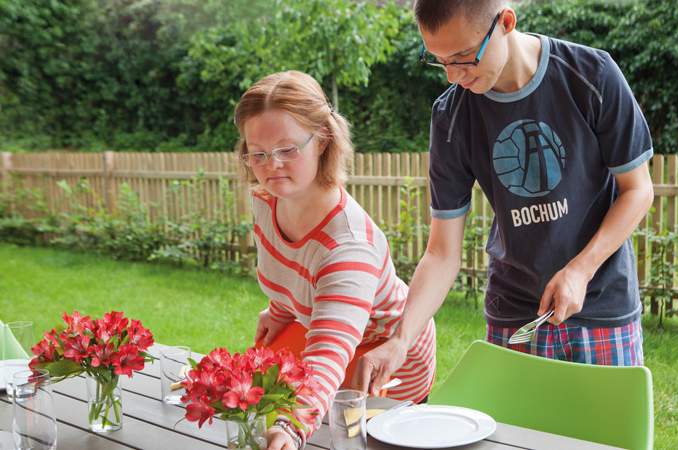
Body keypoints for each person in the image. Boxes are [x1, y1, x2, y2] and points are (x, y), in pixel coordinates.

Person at [352, 0, 655, 396]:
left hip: (602, 305)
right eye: (440, 61)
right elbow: (442, 252)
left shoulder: (591, 75)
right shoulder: (452, 117)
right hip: (514, 311)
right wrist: (401, 339)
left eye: (464, 58)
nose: (453, 76)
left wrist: (581, 270)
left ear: (506, 22)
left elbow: (638, 191)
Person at [235, 70, 436, 450]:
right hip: (325, 335)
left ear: (322, 140)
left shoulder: (348, 246)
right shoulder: (266, 199)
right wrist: (279, 310)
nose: (271, 164)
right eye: (257, 153)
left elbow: (327, 357)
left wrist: (292, 427)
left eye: (287, 149)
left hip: (380, 363)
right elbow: (293, 269)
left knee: (344, 440)